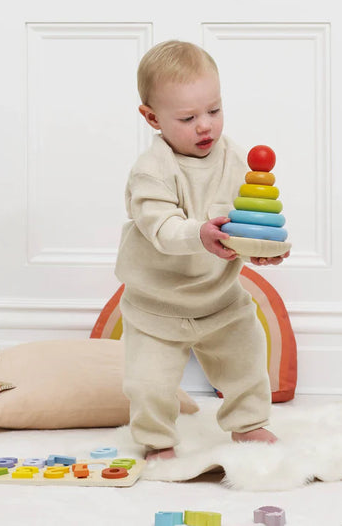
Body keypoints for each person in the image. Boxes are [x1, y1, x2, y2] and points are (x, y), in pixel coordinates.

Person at [115, 40, 289, 461]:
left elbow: (247, 220)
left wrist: (261, 248)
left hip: (220, 300)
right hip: (157, 307)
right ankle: (157, 442)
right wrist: (201, 235)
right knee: (148, 384)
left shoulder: (235, 159)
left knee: (247, 361)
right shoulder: (151, 170)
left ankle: (249, 425)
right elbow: (161, 227)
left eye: (214, 110)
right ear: (152, 117)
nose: (205, 126)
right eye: (188, 117)